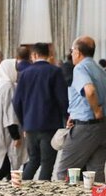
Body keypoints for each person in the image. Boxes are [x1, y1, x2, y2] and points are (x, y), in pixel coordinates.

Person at [56, 36, 106, 182]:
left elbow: (90, 91)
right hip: (104, 126)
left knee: (65, 174)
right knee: (95, 175)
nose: (72, 53)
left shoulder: (80, 68)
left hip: (87, 127)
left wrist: (95, 110)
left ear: (78, 52)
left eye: (72, 50)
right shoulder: (100, 69)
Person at [12, 42, 68, 181]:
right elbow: (62, 100)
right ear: (48, 55)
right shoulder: (55, 71)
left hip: (30, 125)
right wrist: (66, 117)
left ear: (34, 55)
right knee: (47, 163)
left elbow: (16, 102)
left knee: (33, 160)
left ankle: (21, 189)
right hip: (50, 126)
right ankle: (44, 194)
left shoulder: (24, 74)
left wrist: (24, 123)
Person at [0, 58, 26, 180]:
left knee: (6, 166)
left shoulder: (2, 86)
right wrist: (16, 136)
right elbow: (10, 115)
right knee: (5, 167)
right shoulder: (9, 87)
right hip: (8, 133)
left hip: (2, 131)